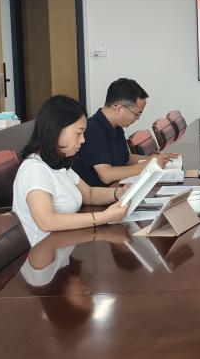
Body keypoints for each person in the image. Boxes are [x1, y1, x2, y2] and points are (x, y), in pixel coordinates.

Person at [13, 95, 130, 246]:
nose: (83, 140)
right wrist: (104, 217)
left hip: (65, 243)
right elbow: (47, 221)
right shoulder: (35, 170)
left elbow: (89, 194)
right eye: (78, 133)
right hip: (44, 251)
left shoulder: (58, 162)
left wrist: (118, 193)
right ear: (57, 130)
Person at [73, 78, 169, 187]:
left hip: (116, 187)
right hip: (99, 194)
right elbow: (107, 175)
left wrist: (154, 159)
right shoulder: (92, 129)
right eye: (137, 113)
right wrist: (149, 165)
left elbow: (126, 158)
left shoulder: (116, 126)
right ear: (119, 108)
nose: (138, 118)